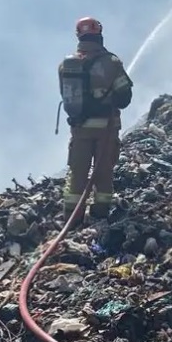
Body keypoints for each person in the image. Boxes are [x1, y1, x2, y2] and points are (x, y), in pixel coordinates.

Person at [58, 17, 133, 220]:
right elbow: (125, 97)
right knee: (103, 173)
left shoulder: (66, 65)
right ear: (99, 34)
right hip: (106, 129)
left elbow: (65, 97)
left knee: (77, 174)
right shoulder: (111, 62)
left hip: (80, 128)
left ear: (78, 36)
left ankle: (72, 219)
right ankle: (100, 216)